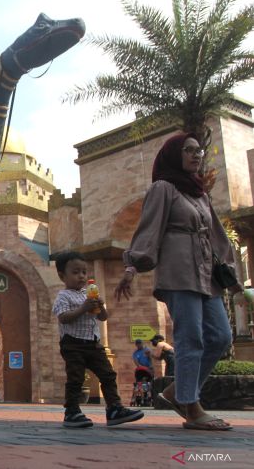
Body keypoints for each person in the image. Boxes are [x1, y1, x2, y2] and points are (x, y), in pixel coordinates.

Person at [114, 132, 240, 431]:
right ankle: (191, 406)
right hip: (178, 272)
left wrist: (231, 275)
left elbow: (217, 236)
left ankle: (176, 392)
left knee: (221, 336)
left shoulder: (199, 193)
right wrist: (132, 267)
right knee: (190, 338)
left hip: (207, 275)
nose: (196, 155)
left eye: (199, 151)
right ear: (174, 155)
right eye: (189, 150)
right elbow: (149, 230)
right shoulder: (163, 188)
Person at [53, 251, 144, 428]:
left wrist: (100, 306)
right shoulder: (63, 296)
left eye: (84, 272)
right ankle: (71, 412)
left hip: (93, 343)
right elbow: (63, 317)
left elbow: (103, 317)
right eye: (75, 272)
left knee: (108, 375)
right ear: (62, 275)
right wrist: (83, 308)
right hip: (73, 344)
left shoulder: (88, 293)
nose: (81, 276)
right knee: (76, 378)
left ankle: (114, 408)